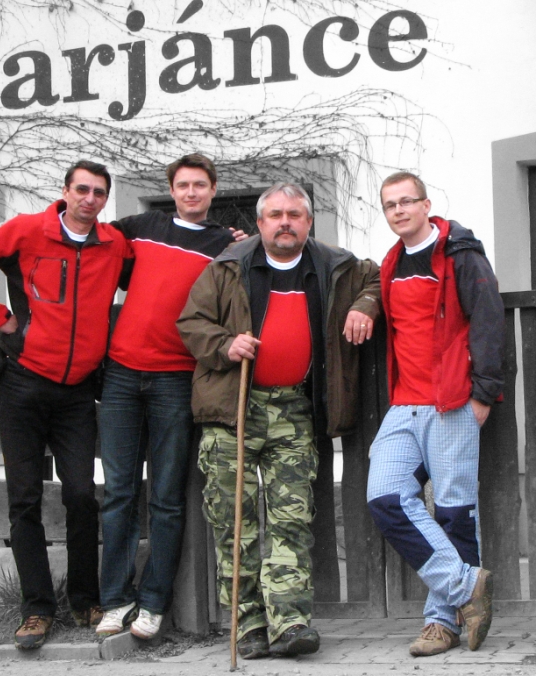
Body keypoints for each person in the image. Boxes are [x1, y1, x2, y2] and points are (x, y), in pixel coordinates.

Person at [177, 182, 380, 660]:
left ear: (308, 222)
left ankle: (290, 622)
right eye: (275, 215)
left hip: (294, 410)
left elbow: (377, 279)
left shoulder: (335, 264)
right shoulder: (227, 266)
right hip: (233, 410)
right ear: (260, 222)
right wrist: (225, 344)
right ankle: (248, 625)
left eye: (294, 215)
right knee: (235, 523)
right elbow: (191, 323)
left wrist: (364, 305)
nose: (285, 222)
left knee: (292, 520)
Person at [0, 160, 131, 650]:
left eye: (99, 192)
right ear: (65, 191)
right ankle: (37, 609)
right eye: (82, 189)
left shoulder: (114, 245)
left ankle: (85, 599)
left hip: (77, 392)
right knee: (24, 499)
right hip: (23, 385)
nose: (90, 198)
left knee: (82, 495)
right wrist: (0, 319)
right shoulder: (28, 232)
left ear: (105, 200)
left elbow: (159, 262)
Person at [96, 153, 237, 640]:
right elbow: (91, 245)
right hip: (120, 374)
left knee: (167, 497)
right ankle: (115, 599)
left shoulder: (224, 244)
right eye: (183, 185)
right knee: (118, 492)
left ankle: (154, 602)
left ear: (213, 190)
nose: (191, 192)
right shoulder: (142, 227)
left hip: (176, 378)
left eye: (200, 185)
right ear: (171, 190)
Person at [366, 171, 504, 657]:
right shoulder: (390, 261)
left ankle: (442, 623)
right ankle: (467, 586)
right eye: (390, 205)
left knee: (453, 510)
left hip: (453, 402)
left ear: (426, 206)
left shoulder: (460, 255)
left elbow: (488, 319)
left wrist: (483, 393)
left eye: (407, 202)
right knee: (385, 497)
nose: (399, 211)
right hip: (405, 404)